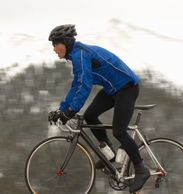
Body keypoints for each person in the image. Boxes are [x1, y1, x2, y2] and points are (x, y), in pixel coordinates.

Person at [47, 24, 149, 193]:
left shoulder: (80, 54)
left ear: (64, 42)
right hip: (112, 89)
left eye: (55, 44)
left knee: (119, 131)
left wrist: (70, 111)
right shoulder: (76, 55)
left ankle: (141, 169)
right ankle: (109, 154)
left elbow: (84, 86)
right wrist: (62, 109)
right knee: (90, 115)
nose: (53, 49)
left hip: (127, 88)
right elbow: (76, 85)